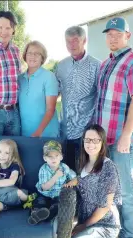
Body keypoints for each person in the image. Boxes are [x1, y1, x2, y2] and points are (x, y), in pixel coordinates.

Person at [94, 17, 133, 238]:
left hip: (122, 139)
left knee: (127, 188)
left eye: (118, 33)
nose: (113, 37)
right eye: (109, 34)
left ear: (128, 35)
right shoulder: (106, 63)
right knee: (109, 187)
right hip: (103, 139)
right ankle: (111, 226)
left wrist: (126, 135)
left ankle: (129, 236)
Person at [64, 124, 121, 238]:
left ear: (102, 143)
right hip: (88, 222)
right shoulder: (84, 164)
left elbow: (105, 206)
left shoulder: (108, 168)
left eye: (96, 140)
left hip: (106, 225)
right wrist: (75, 180)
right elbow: (86, 179)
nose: (91, 144)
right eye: (88, 139)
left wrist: (83, 226)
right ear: (83, 141)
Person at [55, 26, 101, 172]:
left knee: (86, 172)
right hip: (65, 130)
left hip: (86, 131)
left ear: (84, 40)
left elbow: (101, 97)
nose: (71, 45)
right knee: (66, 172)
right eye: (68, 41)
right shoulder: (61, 65)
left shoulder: (96, 65)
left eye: (75, 40)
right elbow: (55, 93)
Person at [28, 140, 76, 225]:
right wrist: (56, 176)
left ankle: (46, 216)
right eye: (50, 156)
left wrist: (69, 184)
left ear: (61, 157)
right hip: (44, 194)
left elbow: (75, 179)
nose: (53, 159)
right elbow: (45, 187)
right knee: (39, 202)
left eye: (56, 155)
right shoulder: (43, 169)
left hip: (58, 195)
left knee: (58, 206)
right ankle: (35, 213)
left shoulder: (65, 167)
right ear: (45, 158)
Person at [18, 41, 60, 137]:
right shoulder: (20, 79)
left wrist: (38, 132)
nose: (33, 56)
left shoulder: (49, 77)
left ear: (42, 58)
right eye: (30, 53)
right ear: (25, 55)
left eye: (37, 54)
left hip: (46, 133)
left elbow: (51, 109)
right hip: (25, 133)